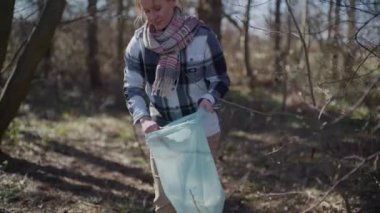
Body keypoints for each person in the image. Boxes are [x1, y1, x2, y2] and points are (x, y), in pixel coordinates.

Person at [123, 0, 230, 211]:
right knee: (166, 202)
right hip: (162, 133)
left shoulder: (203, 37)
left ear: (172, 2)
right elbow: (132, 88)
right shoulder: (137, 45)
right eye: (147, 11)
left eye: (158, 8)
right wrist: (144, 119)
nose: (153, 15)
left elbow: (220, 79)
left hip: (202, 131)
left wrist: (209, 98)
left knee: (199, 201)